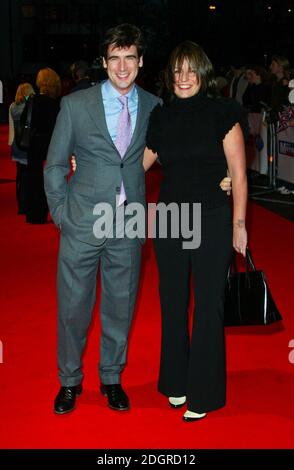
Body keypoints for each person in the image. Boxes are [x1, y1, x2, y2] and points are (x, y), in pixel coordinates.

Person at [45, 24, 231, 416]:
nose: (123, 66)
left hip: (129, 223)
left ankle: (111, 378)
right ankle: (70, 381)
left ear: (141, 61)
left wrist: (224, 175)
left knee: (120, 305)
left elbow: (180, 143)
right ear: (104, 62)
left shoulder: (153, 106)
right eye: (115, 58)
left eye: (130, 57)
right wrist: (62, 214)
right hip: (83, 220)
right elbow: (56, 164)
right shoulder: (76, 105)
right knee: (74, 306)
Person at [143, 41, 248, 421]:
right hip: (170, 218)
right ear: (170, 77)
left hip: (212, 217)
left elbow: (237, 174)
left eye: (191, 71)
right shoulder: (161, 116)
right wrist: (88, 162)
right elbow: (135, 164)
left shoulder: (223, 113)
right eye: (177, 71)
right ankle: (175, 382)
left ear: (202, 75)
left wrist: (240, 225)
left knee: (207, 305)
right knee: (172, 301)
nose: (184, 78)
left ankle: (204, 391)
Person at [26, 68, 61, 224]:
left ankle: (35, 213)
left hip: (34, 143)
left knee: (34, 178)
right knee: (54, 179)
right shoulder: (55, 103)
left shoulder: (32, 101)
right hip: (52, 144)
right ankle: (56, 212)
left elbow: (24, 122)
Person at [8, 82, 35, 214]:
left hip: (16, 145)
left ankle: (21, 205)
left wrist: (11, 144)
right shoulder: (30, 107)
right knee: (30, 176)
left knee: (20, 176)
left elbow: (11, 129)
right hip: (28, 145)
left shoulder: (12, 107)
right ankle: (28, 203)